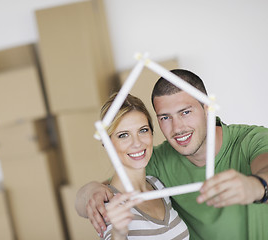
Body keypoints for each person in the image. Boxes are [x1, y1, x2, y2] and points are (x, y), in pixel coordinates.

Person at [75, 69, 268, 240]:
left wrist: (256, 187)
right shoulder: (157, 161)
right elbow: (109, 190)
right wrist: (91, 190)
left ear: (207, 108)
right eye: (165, 117)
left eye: (185, 112)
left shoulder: (249, 139)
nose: (178, 128)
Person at [97, 92, 189, 239]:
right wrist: (119, 232)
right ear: (106, 143)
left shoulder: (157, 184)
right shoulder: (109, 203)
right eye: (123, 135)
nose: (137, 143)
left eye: (143, 130)